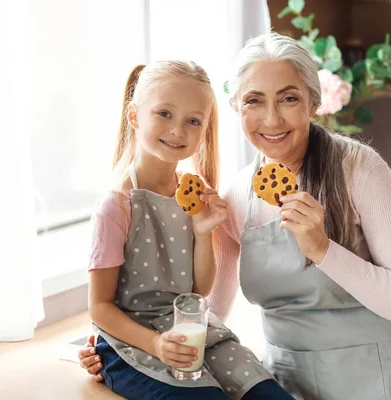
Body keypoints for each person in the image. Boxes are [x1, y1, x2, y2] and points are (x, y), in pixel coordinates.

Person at [82, 33, 391, 399]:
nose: (271, 118)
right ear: (236, 108)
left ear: (313, 103)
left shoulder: (358, 169)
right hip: (286, 381)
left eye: (289, 98)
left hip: (377, 381)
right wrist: (122, 353)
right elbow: (208, 305)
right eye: (254, 100)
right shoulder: (236, 195)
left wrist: (324, 250)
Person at [85, 60, 294, 400]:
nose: (178, 130)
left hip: (191, 331)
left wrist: (202, 231)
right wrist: (157, 343)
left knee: (268, 393)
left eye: (193, 121)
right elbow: (100, 308)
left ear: (204, 130)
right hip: (130, 345)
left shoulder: (193, 196)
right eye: (164, 113)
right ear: (134, 116)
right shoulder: (117, 205)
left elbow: (199, 288)